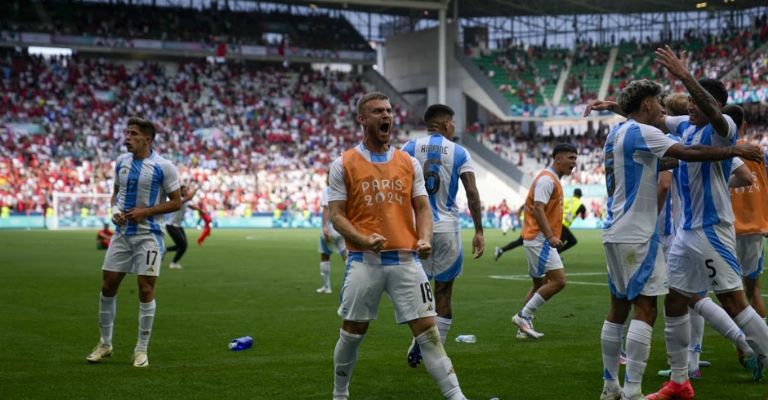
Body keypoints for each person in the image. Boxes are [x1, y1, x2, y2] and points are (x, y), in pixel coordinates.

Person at [583, 78, 764, 400]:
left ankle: (617, 384)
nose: (670, 107)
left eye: (696, 102)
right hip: (655, 232)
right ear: (649, 103)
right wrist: (734, 150)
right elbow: (685, 151)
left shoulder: (621, 133)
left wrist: (615, 106)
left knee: (717, 301)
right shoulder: (666, 131)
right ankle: (656, 386)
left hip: (686, 228)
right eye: (660, 101)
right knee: (660, 304)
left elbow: (677, 148)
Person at [327, 92, 468, 400]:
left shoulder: (408, 162)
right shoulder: (343, 163)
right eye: (378, 112)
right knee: (352, 334)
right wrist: (363, 239)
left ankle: (456, 396)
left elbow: (422, 207)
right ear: (362, 120)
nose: (386, 116)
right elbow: (336, 215)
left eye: (389, 111)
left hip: (407, 260)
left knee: (429, 333)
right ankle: (340, 394)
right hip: (364, 261)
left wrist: (425, 237)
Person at [86, 117, 181, 368]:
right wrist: (115, 210)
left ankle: (141, 349)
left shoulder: (164, 166)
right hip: (122, 234)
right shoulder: (121, 162)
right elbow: (116, 194)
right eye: (126, 132)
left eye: (133, 133)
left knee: (145, 289)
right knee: (108, 286)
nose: (127, 137)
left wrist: (145, 212)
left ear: (147, 139)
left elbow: (176, 202)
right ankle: (105, 344)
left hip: (149, 236)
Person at [401, 104, 485, 367]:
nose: (455, 128)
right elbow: (472, 192)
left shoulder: (408, 149)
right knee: (444, 294)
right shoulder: (459, 152)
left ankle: (420, 340)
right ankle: (435, 354)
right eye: (454, 123)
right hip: (448, 229)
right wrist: (479, 230)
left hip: (418, 231)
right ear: (446, 124)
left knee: (421, 292)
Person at [511, 143, 578, 340]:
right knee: (558, 281)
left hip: (535, 238)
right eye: (570, 158)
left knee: (538, 284)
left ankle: (522, 327)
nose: (574, 163)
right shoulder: (547, 180)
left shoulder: (551, 179)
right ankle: (523, 316)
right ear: (558, 158)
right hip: (540, 239)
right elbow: (538, 208)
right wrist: (550, 236)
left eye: (575, 158)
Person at [726, 104, 768, 320]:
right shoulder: (759, 152)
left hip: (726, 230)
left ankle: (748, 348)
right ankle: (758, 348)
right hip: (752, 228)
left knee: (732, 295)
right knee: (752, 291)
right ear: (744, 125)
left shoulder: (717, 151)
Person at [317, 175, 347, 294]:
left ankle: (327, 287)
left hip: (331, 226)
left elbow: (326, 209)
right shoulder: (344, 189)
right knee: (346, 255)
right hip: (343, 226)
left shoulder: (328, 190)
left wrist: (325, 227)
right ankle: (351, 286)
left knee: (325, 255)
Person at [165, 183, 198, 269]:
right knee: (183, 246)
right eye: (185, 190)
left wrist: (199, 210)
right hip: (171, 226)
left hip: (178, 226)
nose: (187, 191)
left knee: (182, 245)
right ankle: (173, 263)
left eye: (187, 190)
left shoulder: (184, 200)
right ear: (180, 192)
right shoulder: (179, 199)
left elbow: (189, 205)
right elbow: (189, 198)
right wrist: (196, 189)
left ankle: (165, 250)